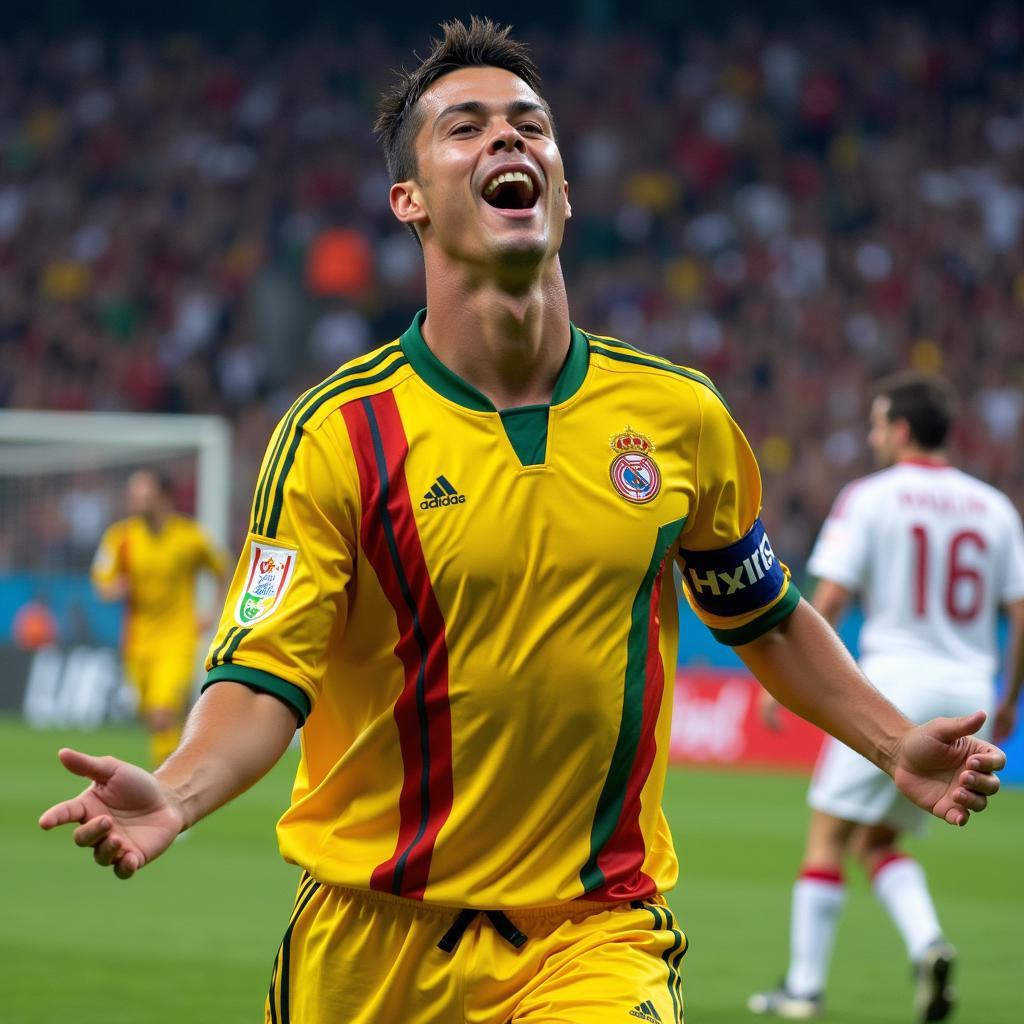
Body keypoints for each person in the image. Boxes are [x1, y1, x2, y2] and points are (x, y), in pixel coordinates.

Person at [41, 21, 1006, 1024]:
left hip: (592, 933)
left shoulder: (678, 417)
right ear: (406, 201)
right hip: (370, 941)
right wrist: (180, 793)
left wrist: (893, 744)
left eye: (529, 127)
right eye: (466, 128)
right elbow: (264, 676)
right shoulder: (338, 433)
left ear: (563, 186)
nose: (507, 141)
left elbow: (762, 615)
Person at [749, 371, 1024, 1023]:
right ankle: (928, 943)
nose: (872, 436)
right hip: (967, 690)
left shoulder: (870, 497)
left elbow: (834, 598)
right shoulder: (994, 507)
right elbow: (1019, 610)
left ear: (901, 430)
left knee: (826, 836)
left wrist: (784, 673)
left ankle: (804, 991)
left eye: (877, 424)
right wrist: (1009, 699)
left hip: (892, 689)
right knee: (878, 841)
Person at [90, 469, 229, 767]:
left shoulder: (190, 537)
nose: (136, 501)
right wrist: (115, 588)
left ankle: (166, 782)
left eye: (144, 495)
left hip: (178, 636)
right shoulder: (120, 538)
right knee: (154, 718)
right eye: (133, 495)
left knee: (161, 710)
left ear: (164, 497)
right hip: (137, 640)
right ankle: (180, 761)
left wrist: (213, 614)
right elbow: (102, 584)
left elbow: (223, 569)